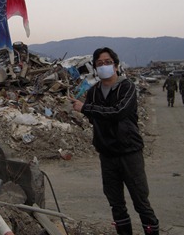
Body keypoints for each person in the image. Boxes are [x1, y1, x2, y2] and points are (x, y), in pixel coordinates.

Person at [70, 47, 159, 235]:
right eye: (99, 63)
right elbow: (95, 119)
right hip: (107, 155)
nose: (104, 66)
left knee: (141, 202)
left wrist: (86, 108)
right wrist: (89, 110)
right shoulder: (93, 92)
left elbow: (119, 112)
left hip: (129, 152)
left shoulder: (127, 87)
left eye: (108, 62)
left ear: (116, 65)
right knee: (116, 204)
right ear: (95, 67)